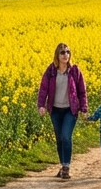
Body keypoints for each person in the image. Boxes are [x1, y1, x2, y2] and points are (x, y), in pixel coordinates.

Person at [37, 43, 87, 180]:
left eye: (68, 52)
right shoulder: (51, 71)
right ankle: (63, 165)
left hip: (70, 110)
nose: (66, 55)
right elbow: (43, 89)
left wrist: (84, 108)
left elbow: (82, 91)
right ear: (57, 55)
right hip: (55, 110)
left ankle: (66, 167)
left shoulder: (75, 70)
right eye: (62, 52)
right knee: (59, 139)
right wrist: (41, 105)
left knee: (66, 136)